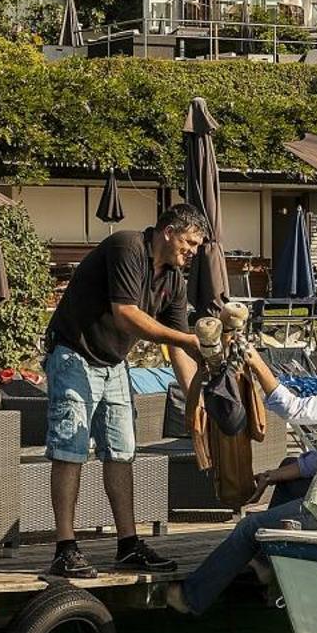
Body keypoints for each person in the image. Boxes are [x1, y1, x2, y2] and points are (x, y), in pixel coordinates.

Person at [169, 317, 317, 615]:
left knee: (249, 528)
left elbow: (295, 410)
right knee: (290, 466)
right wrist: (271, 476)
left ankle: (190, 598)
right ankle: (265, 563)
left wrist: (256, 362)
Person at [41, 203, 209, 580]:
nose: (193, 251)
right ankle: (64, 549)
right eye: (189, 242)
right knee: (70, 447)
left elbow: (180, 350)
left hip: (114, 363)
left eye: (197, 246)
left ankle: (128, 545)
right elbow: (126, 314)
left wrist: (195, 402)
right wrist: (187, 338)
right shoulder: (127, 246)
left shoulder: (174, 281)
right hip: (73, 353)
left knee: (121, 450)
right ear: (168, 231)